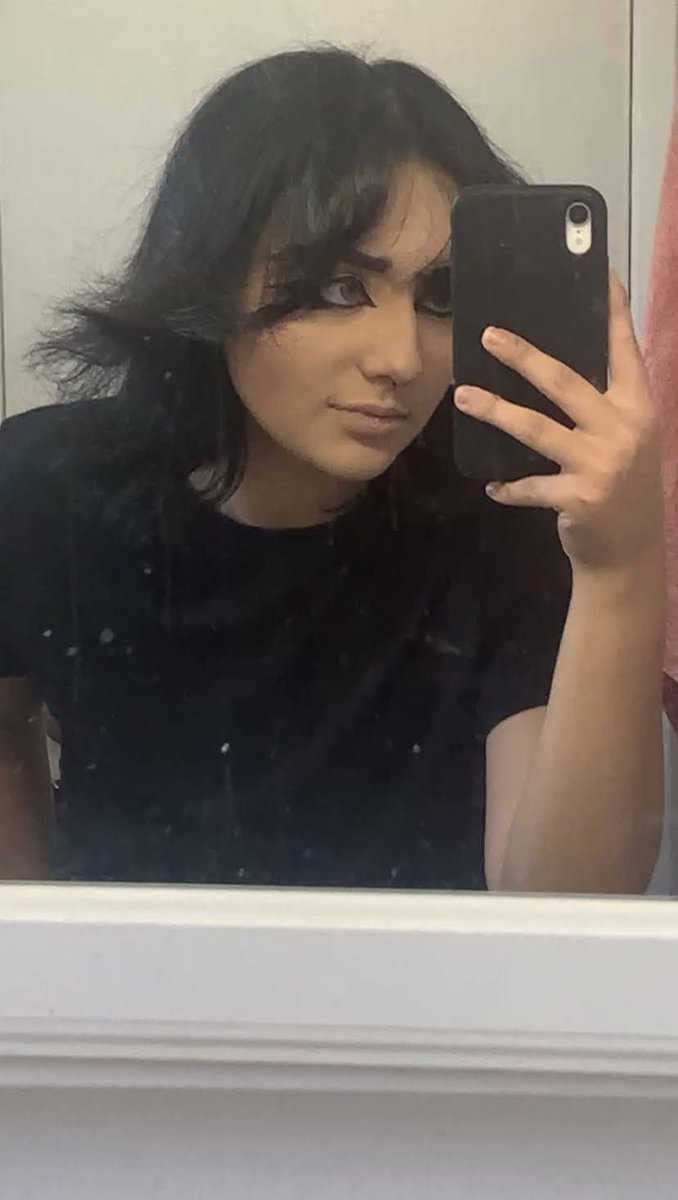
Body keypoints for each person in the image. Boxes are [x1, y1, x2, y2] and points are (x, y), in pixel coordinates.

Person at [0, 47, 665, 892]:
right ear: (211, 277)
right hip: (123, 976)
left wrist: (622, 568)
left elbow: (565, 912)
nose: (401, 360)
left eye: (440, 296)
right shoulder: (45, 490)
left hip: (425, 978)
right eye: (342, 290)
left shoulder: (500, 513)